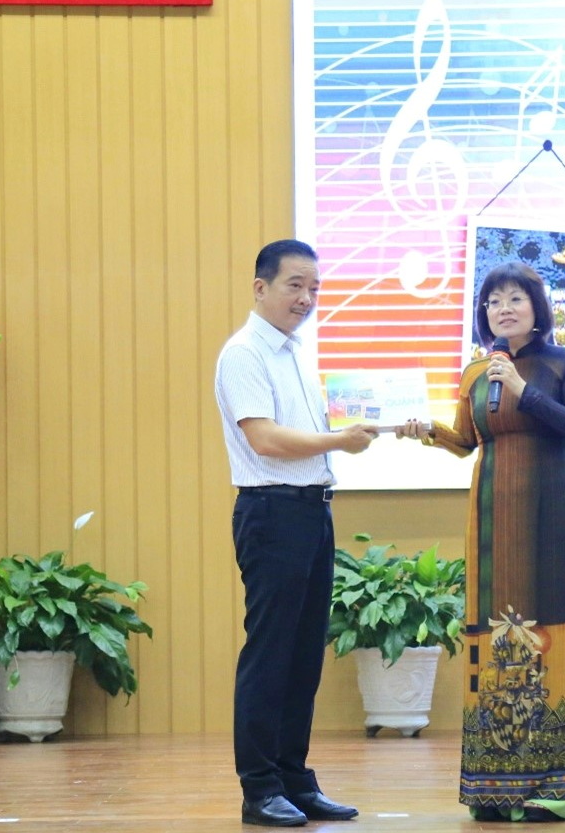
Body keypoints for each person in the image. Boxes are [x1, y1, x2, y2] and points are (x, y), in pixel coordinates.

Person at [397, 261, 565, 823]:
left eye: (514, 299)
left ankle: (549, 788)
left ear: (537, 307)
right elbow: (467, 440)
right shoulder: (475, 372)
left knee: (549, 629)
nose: (502, 309)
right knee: (493, 633)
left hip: (548, 511)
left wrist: (521, 389)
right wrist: (429, 432)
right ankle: (494, 785)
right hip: (490, 515)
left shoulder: (564, 361)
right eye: (492, 301)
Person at [214, 239, 379, 828]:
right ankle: (259, 788)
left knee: (304, 653)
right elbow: (265, 439)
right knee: (271, 651)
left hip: (312, 511)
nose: (307, 298)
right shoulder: (244, 353)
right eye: (295, 285)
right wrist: (341, 441)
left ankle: (293, 780)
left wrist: (378, 424)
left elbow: (314, 433)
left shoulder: (296, 353)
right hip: (271, 512)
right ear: (261, 287)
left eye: (315, 288)